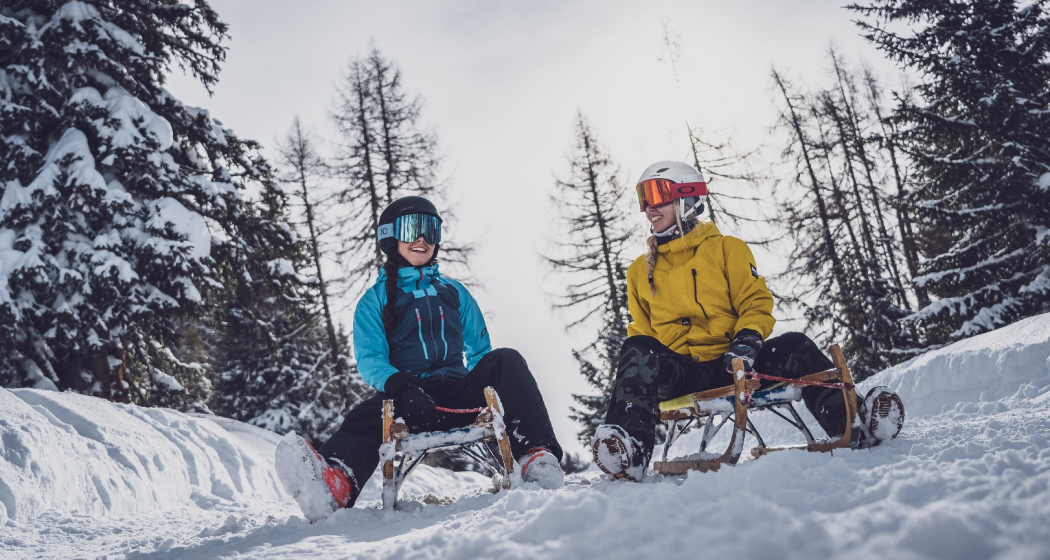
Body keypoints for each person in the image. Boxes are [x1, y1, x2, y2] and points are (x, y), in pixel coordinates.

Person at [590, 161, 905, 482]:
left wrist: (748, 340)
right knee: (638, 347)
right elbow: (642, 333)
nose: (648, 208)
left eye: (656, 195)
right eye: (643, 198)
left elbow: (754, 301)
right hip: (683, 374)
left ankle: (855, 423)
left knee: (795, 346)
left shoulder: (727, 250)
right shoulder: (638, 272)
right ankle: (629, 451)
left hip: (736, 363)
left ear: (686, 198)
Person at [276, 196, 564, 520]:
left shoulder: (454, 293)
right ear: (390, 236)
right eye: (412, 228)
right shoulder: (375, 301)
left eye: (430, 229)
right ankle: (335, 483)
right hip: (409, 402)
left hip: (458, 396)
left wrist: (484, 383)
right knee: (368, 415)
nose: (422, 239)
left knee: (506, 360)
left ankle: (537, 456)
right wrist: (401, 387)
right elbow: (371, 359)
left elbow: (481, 351)